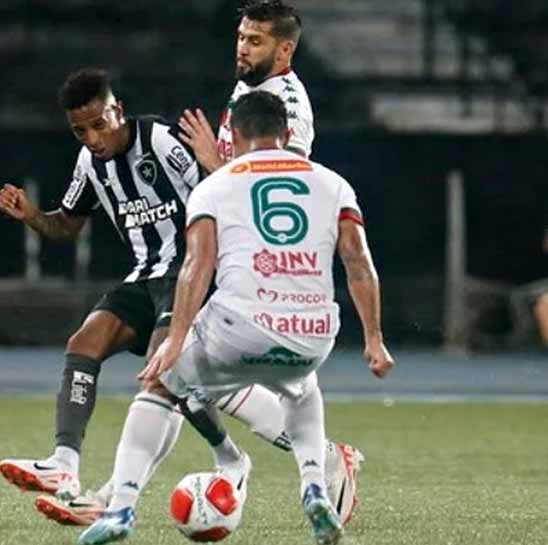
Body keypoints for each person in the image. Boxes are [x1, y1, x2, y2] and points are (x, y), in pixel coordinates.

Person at [78, 90, 394, 545]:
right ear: (286, 135)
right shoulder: (333, 183)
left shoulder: (217, 185)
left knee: (162, 384)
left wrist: (175, 337)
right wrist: (374, 339)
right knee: (302, 389)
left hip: (239, 327)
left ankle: (121, 508)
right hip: (313, 333)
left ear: (235, 135)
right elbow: (359, 263)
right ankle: (314, 488)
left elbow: (197, 265)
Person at [177, 0, 365, 525]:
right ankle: (310, 460)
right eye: (241, 36)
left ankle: (250, 463)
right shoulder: (251, 87)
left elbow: (281, 185)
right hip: (234, 250)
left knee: (187, 369)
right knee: (212, 375)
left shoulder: (287, 105)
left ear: (286, 50)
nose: (242, 46)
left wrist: (212, 166)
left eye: (255, 40)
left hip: (267, 263)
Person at [0, 66, 199, 508]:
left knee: (165, 381)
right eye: (80, 131)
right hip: (145, 276)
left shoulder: (161, 140)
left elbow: (214, 191)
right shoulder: (89, 164)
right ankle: (63, 463)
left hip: (189, 274)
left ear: (118, 111)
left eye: (99, 124)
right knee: (84, 342)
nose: (92, 138)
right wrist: (31, 215)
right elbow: (66, 225)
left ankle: (115, 499)